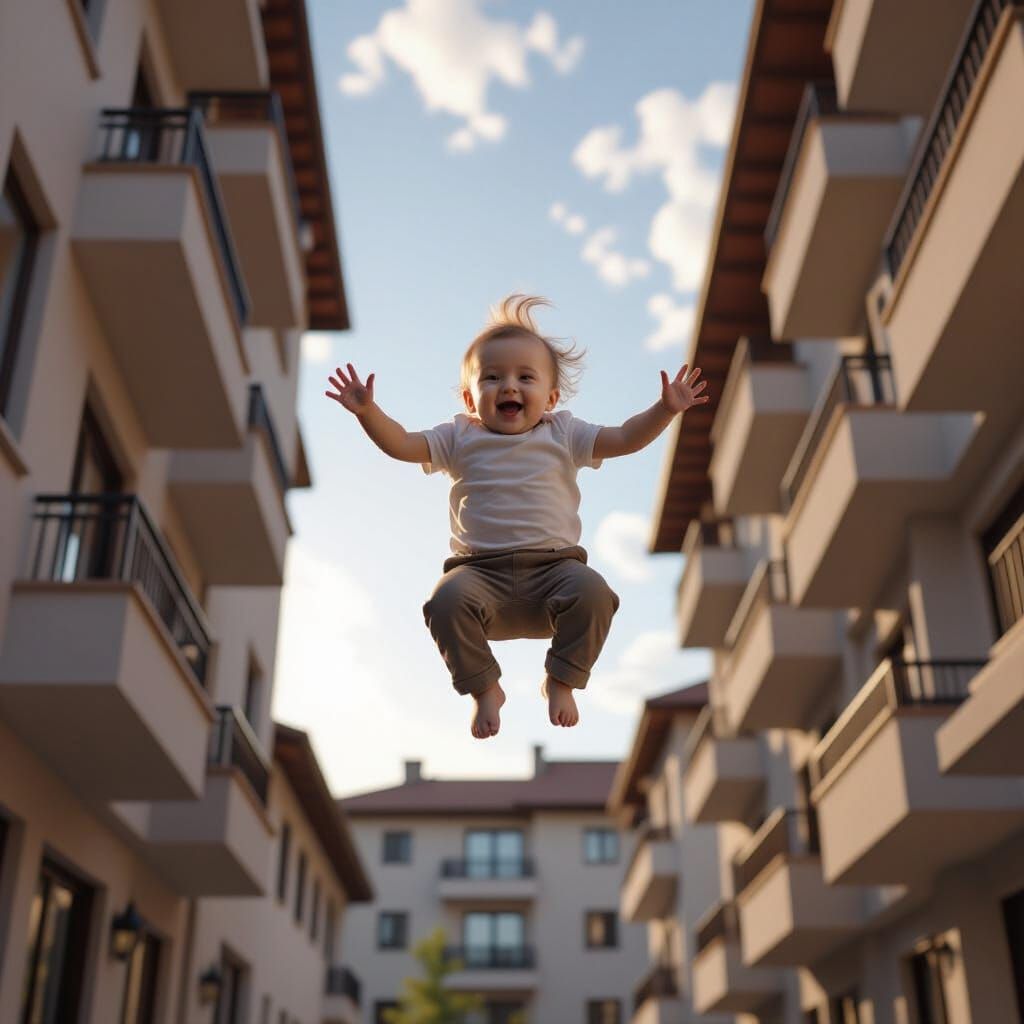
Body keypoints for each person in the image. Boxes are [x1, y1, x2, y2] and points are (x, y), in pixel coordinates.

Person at [326, 294, 709, 739]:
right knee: (444, 602)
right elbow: (403, 444)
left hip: (554, 573)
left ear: (551, 397)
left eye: (525, 377)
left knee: (595, 593)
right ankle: (485, 688)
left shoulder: (564, 433)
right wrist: (368, 412)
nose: (508, 386)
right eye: (492, 377)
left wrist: (666, 409)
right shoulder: (459, 436)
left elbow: (625, 437)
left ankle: (561, 680)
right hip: (479, 575)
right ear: (470, 398)